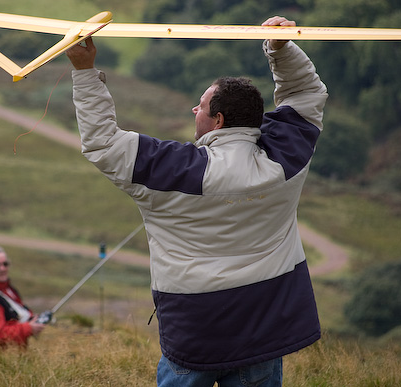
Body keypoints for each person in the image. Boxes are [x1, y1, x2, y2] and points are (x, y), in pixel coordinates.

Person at [66, 15, 328, 387]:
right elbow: (305, 95)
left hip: (196, 331)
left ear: (218, 120)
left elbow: (103, 143)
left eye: (200, 106)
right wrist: (281, 48)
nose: (194, 110)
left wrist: (84, 70)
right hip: (265, 329)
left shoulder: (175, 170)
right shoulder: (286, 159)